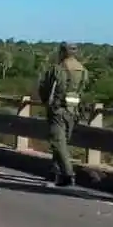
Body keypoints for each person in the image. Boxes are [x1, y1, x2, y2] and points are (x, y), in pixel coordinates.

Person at [37, 43, 88, 187]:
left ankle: (67, 174)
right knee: (62, 142)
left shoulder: (57, 69)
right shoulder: (83, 71)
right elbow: (82, 91)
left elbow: (44, 88)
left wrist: (47, 103)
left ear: (62, 53)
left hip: (58, 110)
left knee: (58, 142)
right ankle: (55, 172)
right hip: (73, 111)